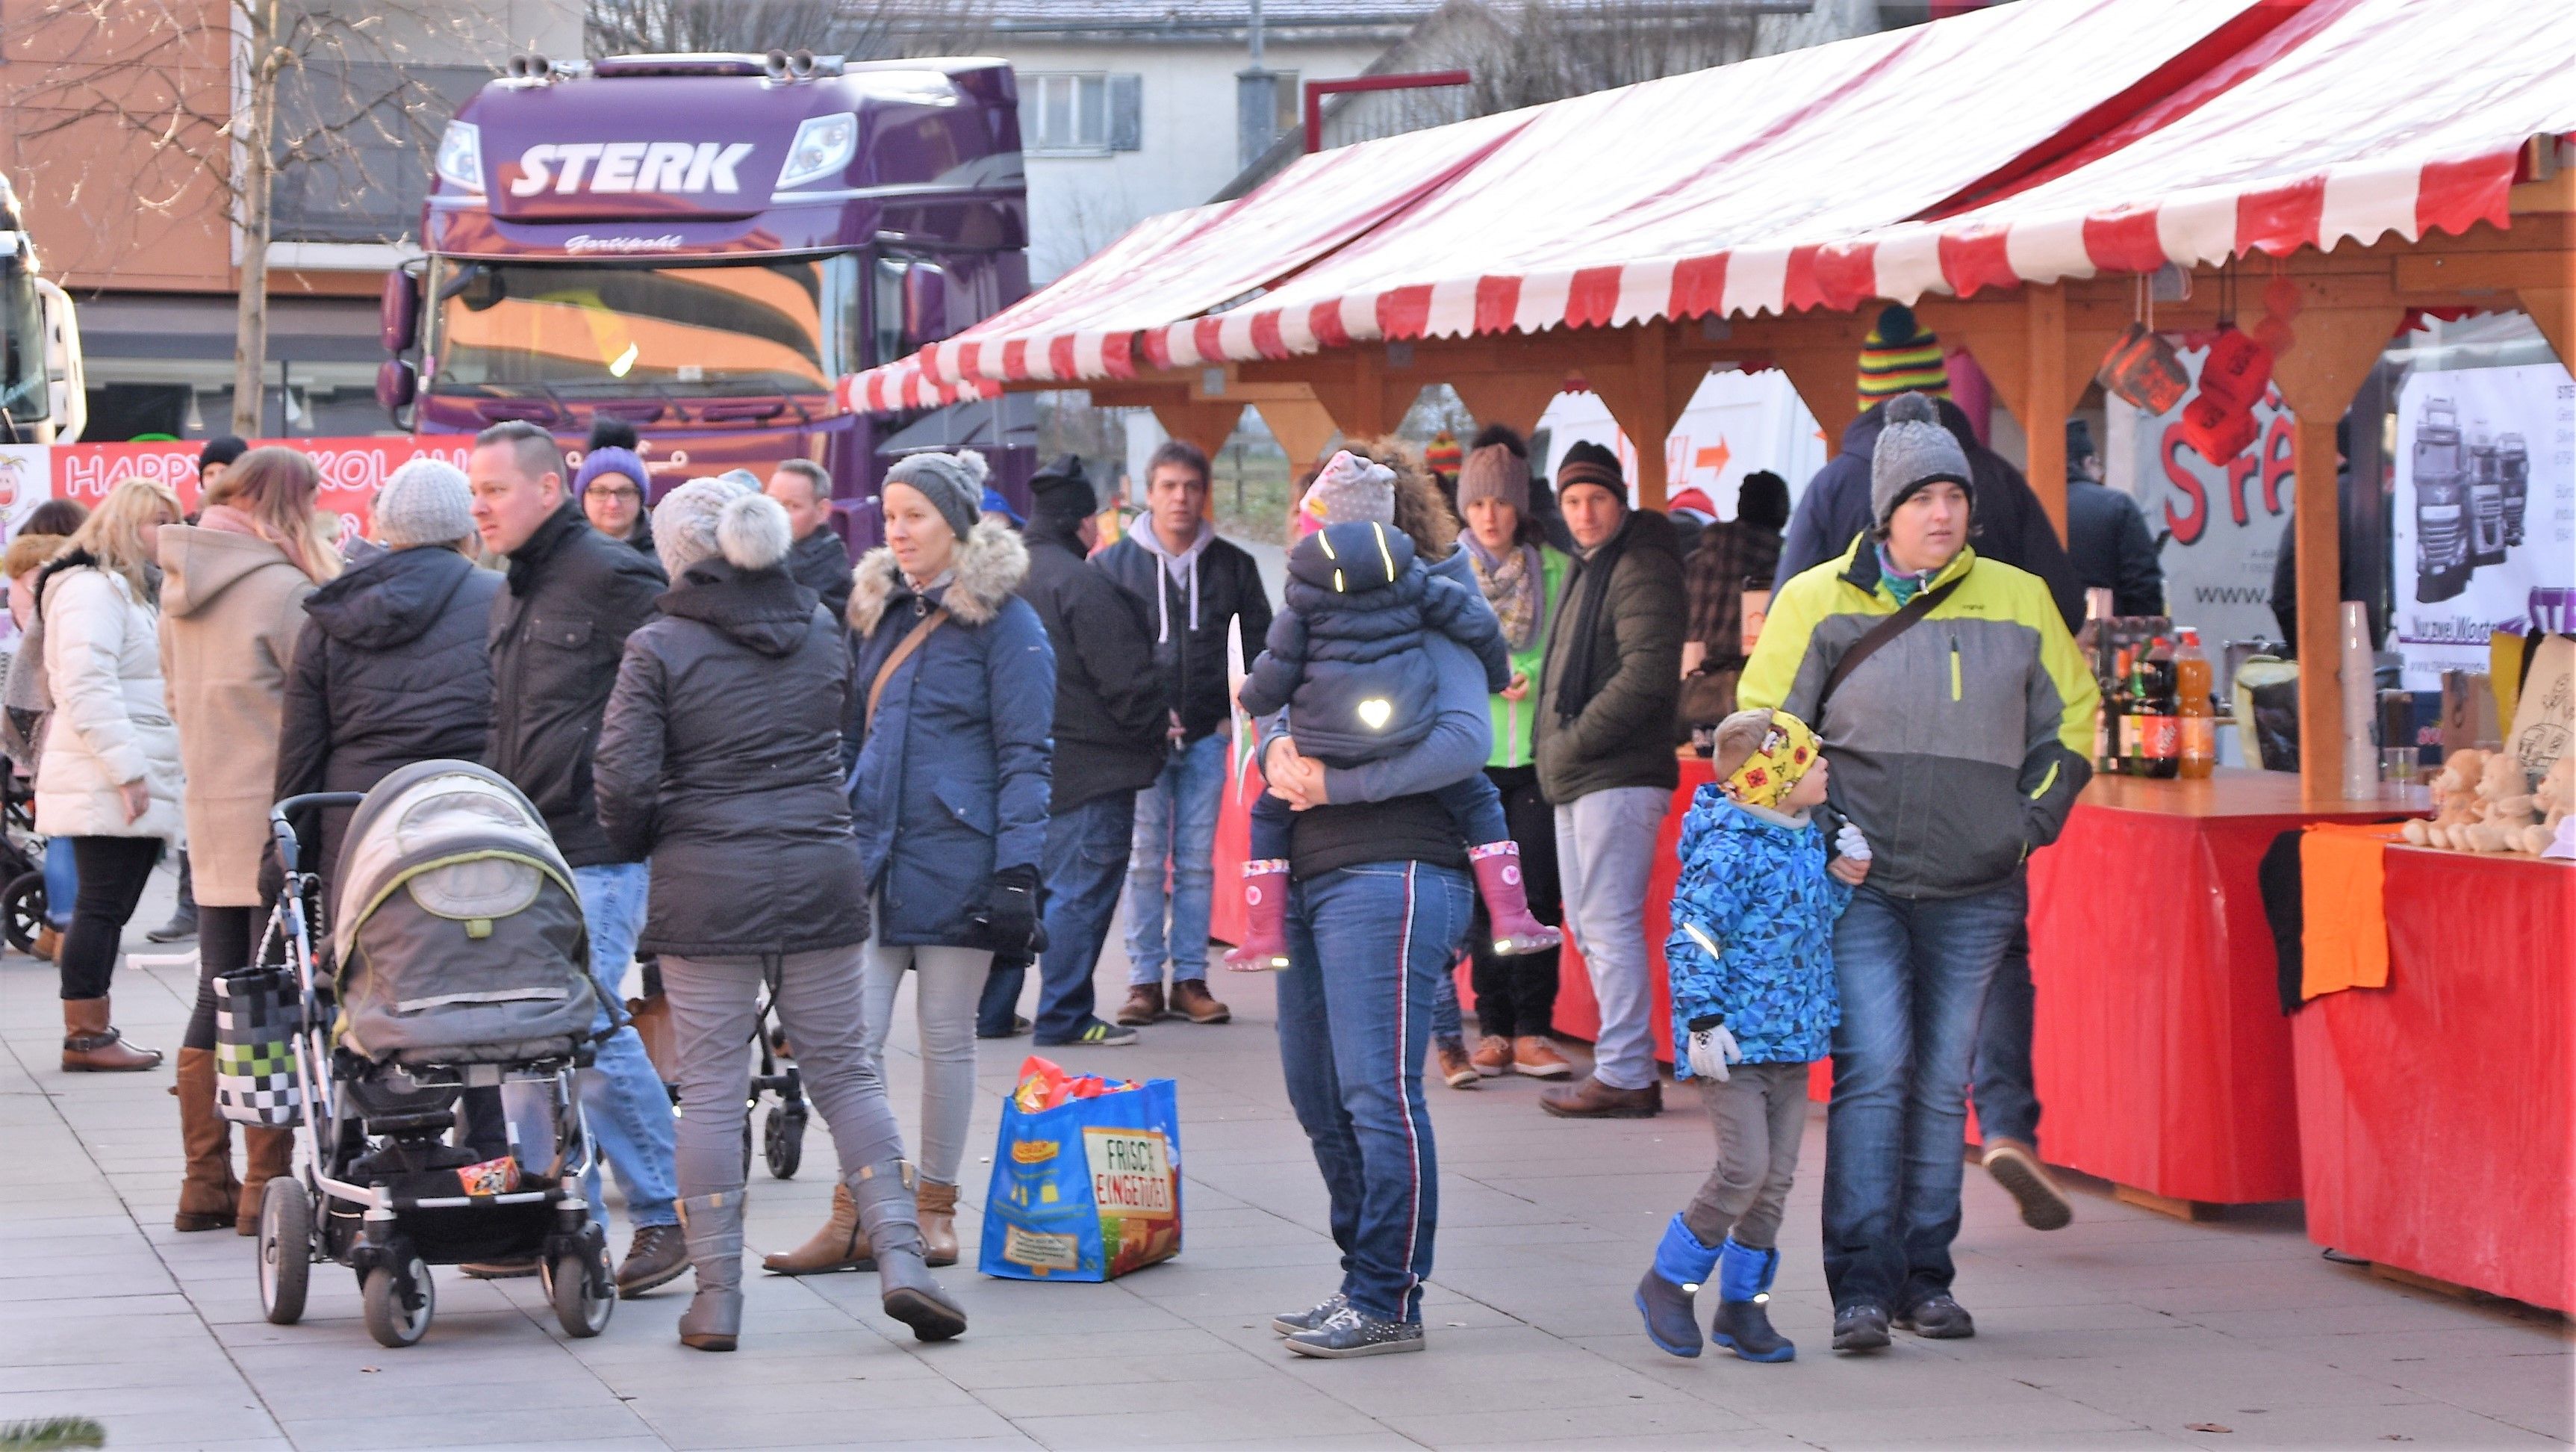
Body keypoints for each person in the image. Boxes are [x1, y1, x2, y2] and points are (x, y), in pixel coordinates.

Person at [1738, 392, 2097, 1353]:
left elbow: (2073, 722)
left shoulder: (2020, 598)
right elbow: (1758, 735)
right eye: (1922, 498)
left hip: (1977, 886)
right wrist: (1818, 839)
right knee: (1875, 1072)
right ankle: (1860, 1288)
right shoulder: (1815, 600)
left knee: (1941, 1085)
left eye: (1955, 497)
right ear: (1885, 511)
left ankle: (1924, 1280)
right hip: (1859, 886)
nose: (1942, 514)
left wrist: (2025, 826)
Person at [596, 477, 965, 1351]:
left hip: (706, 883)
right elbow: (842, 736)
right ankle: (903, 1260)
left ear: (679, 555)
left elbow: (620, 779)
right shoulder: (819, 627)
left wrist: (658, 840)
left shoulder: (658, 644)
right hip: (818, 870)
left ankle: (716, 1300)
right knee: (847, 1076)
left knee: (713, 1091)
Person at [1254, 466, 1489, 1359]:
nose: (1303, 532)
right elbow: (1275, 709)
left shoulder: (1432, 607)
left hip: (1397, 869)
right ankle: (1364, 1279)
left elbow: (1466, 739)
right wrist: (1277, 749)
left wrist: (1341, 785)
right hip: (1310, 875)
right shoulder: (1314, 608)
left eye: (1315, 517)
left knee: (1377, 1093)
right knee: (1318, 1094)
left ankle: (1388, 1297)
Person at [470, 418, 685, 1298]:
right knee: (524, 1035)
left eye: (495, 490)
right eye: (474, 492)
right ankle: (551, 1215)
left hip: (597, 848)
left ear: (546, 489)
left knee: (587, 1028)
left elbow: (678, 692)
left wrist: (636, 800)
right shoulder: (513, 588)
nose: (480, 507)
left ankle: (667, 1212)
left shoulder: (611, 575)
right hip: (526, 846)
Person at [820, 448, 1051, 1270]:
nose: (898, 531)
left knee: (947, 1037)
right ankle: (863, 1207)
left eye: (914, 515)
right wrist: (840, 821)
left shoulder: (1009, 625)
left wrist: (1018, 870)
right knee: (852, 1042)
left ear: (954, 523)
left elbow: (1027, 756)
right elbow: (855, 735)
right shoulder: (881, 613)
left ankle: (935, 1208)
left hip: (963, 860)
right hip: (875, 853)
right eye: (889, 516)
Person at [1229, 451, 1555, 978]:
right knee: (1478, 799)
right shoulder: (1417, 581)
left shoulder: (1303, 597)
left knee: (1268, 814)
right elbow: (1478, 627)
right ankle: (1511, 915)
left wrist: (1255, 704)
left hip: (1325, 746)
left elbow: (1279, 668)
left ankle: (1262, 933)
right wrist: (1496, 675)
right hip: (1405, 730)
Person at [1635, 707, 1864, 1364]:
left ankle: (1743, 1307)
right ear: (1776, 778)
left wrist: (1840, 881)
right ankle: (1668, 1282)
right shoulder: (1730, 848)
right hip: (1733, 1042)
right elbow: (1693, 934)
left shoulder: (1800, 838)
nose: (1824, 766)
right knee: (1744, 1169)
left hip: (1790, 1038)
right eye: (1810, 759)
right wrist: (1703, 1019)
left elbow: (1805, 922)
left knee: (1775, 1181)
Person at [159, 447, 337, 1233]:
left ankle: (203, 1181)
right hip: (275, 819)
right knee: (270, 998)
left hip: (209, 810)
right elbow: (319, 704)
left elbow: (172, 697)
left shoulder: (179, 588)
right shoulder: (283, 590)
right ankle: (263, 1182)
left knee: (216, 990)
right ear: (292, 505)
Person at [1533, 441, 1685, 1119]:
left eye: (1597, 498)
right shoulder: (1591, 565)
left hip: (1616, 771)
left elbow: (1647, 674)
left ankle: (1625, 1070)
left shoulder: (1640, 564)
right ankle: (1622, 1064)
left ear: (1620, 501)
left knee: (1608, 923)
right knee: (1592, 926)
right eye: (1572, 501)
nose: (1585, 513)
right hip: (1583, 772)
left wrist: (1569, 744)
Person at [1095, 439, 1269, 1028]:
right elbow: (1101, 657)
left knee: (1196, 863)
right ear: (1148, 493)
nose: (1180, 498)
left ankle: (1191, 980)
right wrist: (1134, 717)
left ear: (1205, 495)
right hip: (1139, 741)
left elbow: (1259, 647)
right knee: (1144, 861)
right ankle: (1144, 981)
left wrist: (1233, 713)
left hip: (1206, 736)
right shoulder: (1112, 566)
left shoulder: (1234, 566)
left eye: (1192, 487)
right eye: (1169, 486)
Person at [273, 459, 501, 902]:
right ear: (467, 532)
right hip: (469, 814)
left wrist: (285, 855)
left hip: (355, 820)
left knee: (359, 942)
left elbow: (301, 746)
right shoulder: (502, 600)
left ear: (388, 529)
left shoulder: (333, 610)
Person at [1776, 305, 2082, 632]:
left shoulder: (1830, 487)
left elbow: (1786, 615)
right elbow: (2064, 607)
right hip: (1988, 660)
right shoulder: (2001, 479)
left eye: (1954, 497)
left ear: (1868, 400)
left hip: (1858, 661)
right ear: (1940, 396)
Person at [1010, 456, 1165, 1049]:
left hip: (1017, 769)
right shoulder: (1083, 583)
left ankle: (995, 1011)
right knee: (1078, 897)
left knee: (1024, 893)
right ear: (1082, 521)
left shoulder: (1004, 578)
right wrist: (1154, 734)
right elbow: (1127, 682)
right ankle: (1065, 1015)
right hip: (1091, 771)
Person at [34, 480, 184, 1080]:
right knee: (100, 907)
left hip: (125, 766)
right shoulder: (93, 589)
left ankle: (91, 1031)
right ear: (125, 524)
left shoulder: (128, 589)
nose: (169, 532)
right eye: (157, 521)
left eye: (174, 520)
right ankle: (86, 1036)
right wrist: (128, 771)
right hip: (107, 771)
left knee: (108, 907)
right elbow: (86, 685)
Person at [1453, 436, 1575, 1082]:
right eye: (1478, 503)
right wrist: (1485, 675)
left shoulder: (1556, 570)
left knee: (1537, 896)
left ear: (1521, 507)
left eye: (1501, 502)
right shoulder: (1447, 574)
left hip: (1535, 756)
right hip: (1472, 758)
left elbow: (1570, 651)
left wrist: (1532, 673)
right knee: (1484, 897)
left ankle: (1534, 1029)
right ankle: (1493, 1028)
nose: (1490, 515)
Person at [7, 497, 90, 964]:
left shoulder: (21, 578)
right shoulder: (67, 578)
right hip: (65, 711)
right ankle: (66, 927)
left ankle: (54, 929)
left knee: (57, 825)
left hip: (34, 716)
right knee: (72, 830)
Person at [1681, 471, 1790, 680]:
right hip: (1755, 689)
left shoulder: (1692, 564)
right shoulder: (1783, 571)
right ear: (1781, 511)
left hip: (1692, 688)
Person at [2062, 421, 2163, 617]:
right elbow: (2143, 585)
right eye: (2099, 466)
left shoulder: (2027, 507)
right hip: (2103, 632)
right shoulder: (2117, 505)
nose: (2101, 475)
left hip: (2039, 633)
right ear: (2089, 462)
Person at [767, 457, 853, 621]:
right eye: (772, 502)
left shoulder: (828, 573)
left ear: (822, 511)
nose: (778, 514)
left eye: (792, 506)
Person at [574, 418, 656, 559]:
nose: (613, 504)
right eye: (600, 492)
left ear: (641, 498)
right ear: (583, 498)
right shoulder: (559, 554)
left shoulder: (667, 554)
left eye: (624, 492)